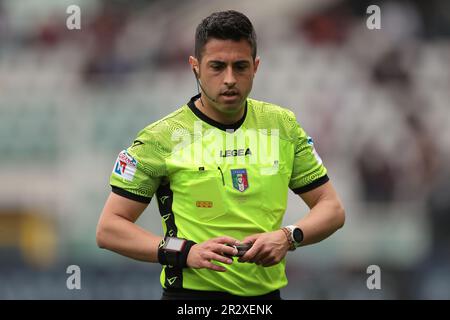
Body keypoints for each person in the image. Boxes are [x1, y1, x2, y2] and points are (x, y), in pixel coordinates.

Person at [96, 10, 345, 300]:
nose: (229, 79)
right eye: (217, 66)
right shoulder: (161, 138)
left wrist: (288, 236)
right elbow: (109, 229)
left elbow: (332, 208)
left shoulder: (282, 127)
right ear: (195, 67)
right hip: (190, 300)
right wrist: (185, 252)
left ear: (256, 67)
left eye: (240, 67)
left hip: (265, 300)